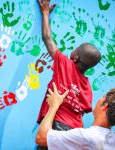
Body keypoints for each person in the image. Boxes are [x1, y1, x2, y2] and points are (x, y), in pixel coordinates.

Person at [36, 0, 101, 149]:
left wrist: (45, 13)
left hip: (56, 127)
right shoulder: (87, 88)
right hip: (74, 134)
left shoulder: (65, 63)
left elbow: (47, 38)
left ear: (75, 57)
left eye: (76, 48)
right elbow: (80, 115)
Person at [36, 82, 115, 150]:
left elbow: (41, 138)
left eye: (102, 97)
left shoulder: (85, 137)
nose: (99, 99)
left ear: (105, 106)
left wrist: (54, 105)